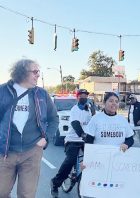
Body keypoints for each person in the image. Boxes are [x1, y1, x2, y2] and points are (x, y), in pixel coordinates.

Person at [0, 59, 59, 198]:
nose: (38, 75)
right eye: (35, 71)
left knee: (27, 194)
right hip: (5, 152)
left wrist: (46, 138)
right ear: (21, 72)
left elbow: (54, 118)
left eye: (38, 71)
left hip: (32, 151)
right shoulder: (3, 91)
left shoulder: (42, 94)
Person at [50, 89, 94, 197]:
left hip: (86, 140)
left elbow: (93, 123)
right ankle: (55, 183)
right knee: (71, 160)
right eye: (81, 96)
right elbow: (75, 123)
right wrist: (82, 134)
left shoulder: (88, 110)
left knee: (94, 160)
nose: (84, 97)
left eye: (85, 95)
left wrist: (93, 113)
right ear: (77, 98)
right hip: (73, 139)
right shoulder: (74, 109)